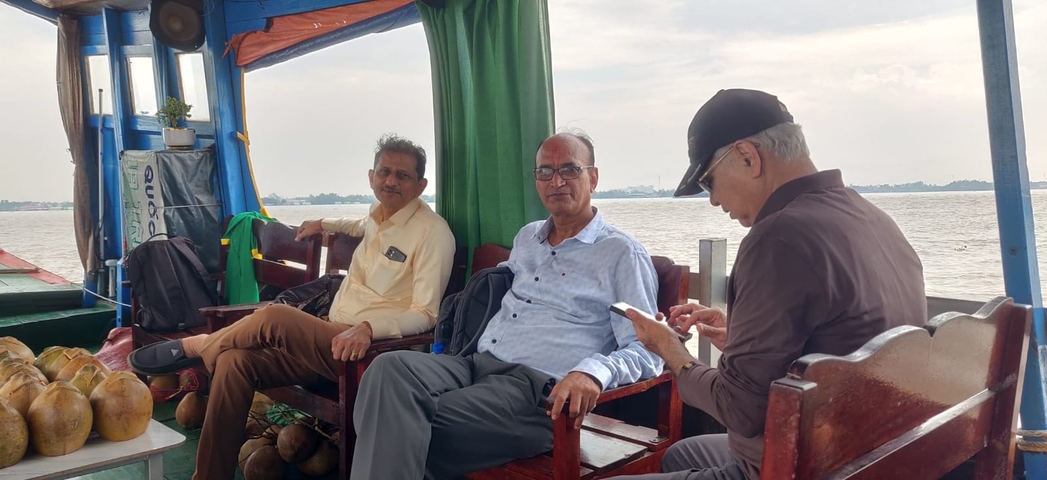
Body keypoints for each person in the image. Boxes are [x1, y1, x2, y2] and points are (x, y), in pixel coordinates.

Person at [616, 89, 927, 480]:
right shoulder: (871, 216)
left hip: (800, 465)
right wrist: (740, 335)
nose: (712, 200)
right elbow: (841, 335)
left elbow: (739, 410)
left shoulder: (777, 238)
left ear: (748, 156)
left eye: (709, 181)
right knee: (682, 453)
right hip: (866, 448)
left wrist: (669, 349)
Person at [127, 133, 456, 480]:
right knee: (233, 361)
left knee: (276, 317)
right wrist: (322, 224)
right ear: (371, 177)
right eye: (384, 172)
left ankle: (196, 347)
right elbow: (357, 225)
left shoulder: (433, 233)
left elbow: (427, 314)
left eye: (402, 175)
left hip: (370, 356)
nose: (391, 181)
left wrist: (371, 329)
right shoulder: (378, 216)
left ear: (420, 185)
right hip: (328, 343)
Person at [349, 131, 665, 479]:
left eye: (569, 170)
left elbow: (649, 351)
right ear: (536, 181)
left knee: (399, 420)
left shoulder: (620, 253)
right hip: (473, 365)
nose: (556, 181)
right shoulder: (528, 238)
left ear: (593, 177)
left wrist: (594, 371)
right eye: (545, 171)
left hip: (535, 395)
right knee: (385, 372)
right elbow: (504, 289)